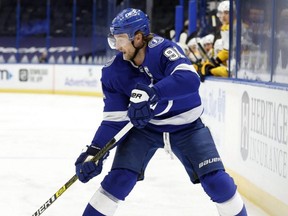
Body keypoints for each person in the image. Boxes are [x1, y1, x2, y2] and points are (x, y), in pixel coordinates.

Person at [75, 8, 248, 216]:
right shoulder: (113, 72)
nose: (117, 46)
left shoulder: (163, 50)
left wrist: (153, 93)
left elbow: (190, 79)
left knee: (218, 184)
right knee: (118, 180)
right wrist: (94, 151)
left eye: (120, 39)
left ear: (138, 38)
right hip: (144, 130)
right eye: (114, 39)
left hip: (188, 127)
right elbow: (114, 120)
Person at [201, 0, 230, 79]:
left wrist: (215, 63)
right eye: (221, 13)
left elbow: (227, 51)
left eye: (226, 13)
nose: (223, 16)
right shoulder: (224, 28)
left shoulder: (233, 28)